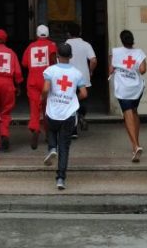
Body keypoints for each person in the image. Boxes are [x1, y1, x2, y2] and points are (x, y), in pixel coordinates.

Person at [41, 42, 87, 190]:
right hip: (68, 114)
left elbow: (46, 88)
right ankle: (60, 178)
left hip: (53, 111)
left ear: (57, 56)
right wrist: (73, 99)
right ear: (71, 56)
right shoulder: (77, 73)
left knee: (52, 129)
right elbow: (84, 93)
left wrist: (43, 97)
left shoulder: (50, 70)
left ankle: (52, 148)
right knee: (65, 147)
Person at [108, 29, 147, 162]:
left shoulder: (116, 52)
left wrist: (118, 68)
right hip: (136, 88)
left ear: (122, 40)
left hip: (123, 88)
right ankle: (136, 143)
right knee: (134, 111)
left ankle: (135, 145)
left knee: (127, 113)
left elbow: (111, 69)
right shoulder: (139, 53)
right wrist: (133, 67)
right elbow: (142, 70)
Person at [21, 24, 57, 150]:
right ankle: (48, 134)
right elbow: (54, 60)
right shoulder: (52, 45)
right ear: (48, 34)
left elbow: (24, 63)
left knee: (34, 108)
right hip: (47, 81)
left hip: (33, 81)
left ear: (37, 35)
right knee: (48, 110)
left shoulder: (30, 47)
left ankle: (35, 129)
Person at [65, 22, 96, 136]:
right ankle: (81, 115)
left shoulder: (65, 45)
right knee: (83, 100)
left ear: (68, 33)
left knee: (70, 102)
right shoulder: (86, 45)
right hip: (84, 77)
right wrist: (90, 70)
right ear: (80, 32)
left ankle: (73, 131)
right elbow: (93, 60)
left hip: (69, 78)